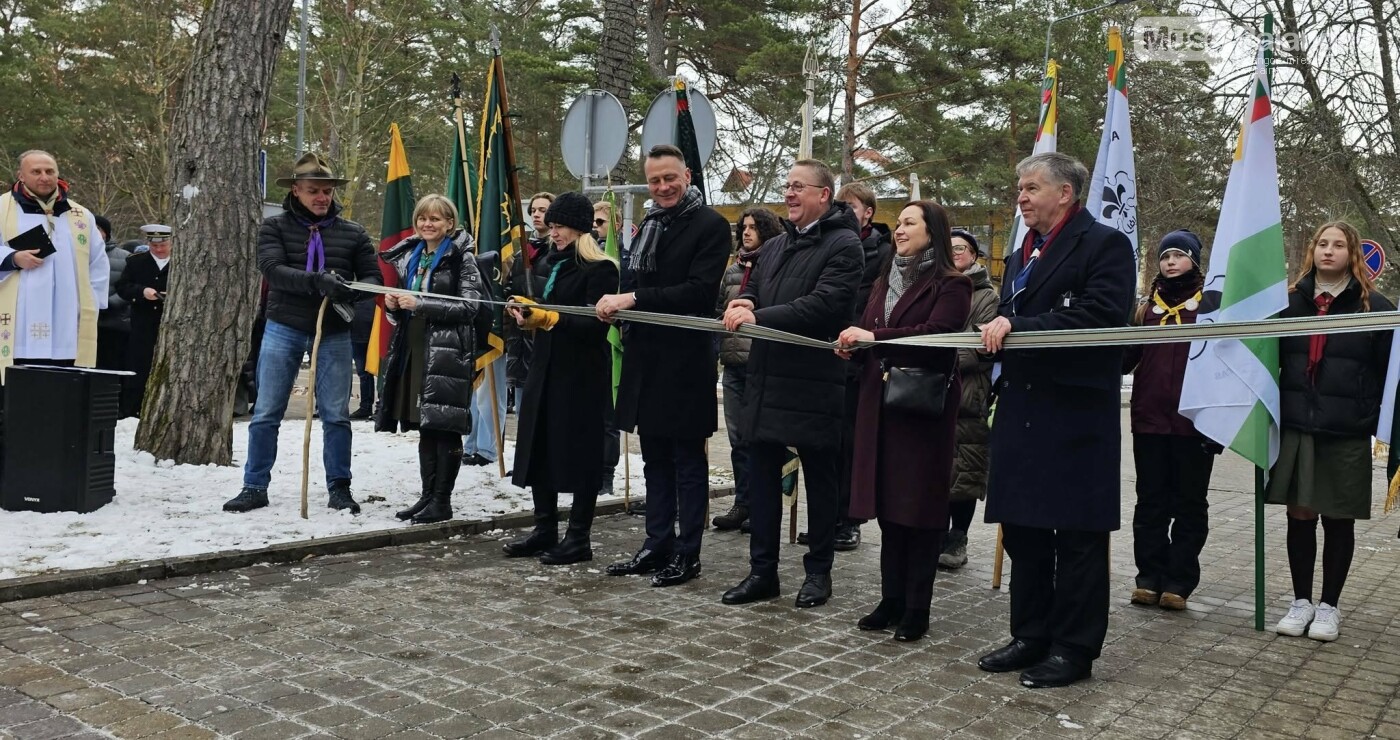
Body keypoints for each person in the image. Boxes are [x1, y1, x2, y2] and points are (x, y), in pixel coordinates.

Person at [977, 152, 1135, 689]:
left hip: (1074, 415)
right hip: (1022, 408)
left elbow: (1099, 315)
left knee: (1077, 538)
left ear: (1064, 193)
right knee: (1023, 530)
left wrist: (1018, 325)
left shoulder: (1106, 245)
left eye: (1030, 188)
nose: (1020, 197)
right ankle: (1030, 634)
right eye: (1019, 187)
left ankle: (1073, 648)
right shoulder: (1024, 249)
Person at [720, 159, 862, 609]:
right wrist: (745, 299)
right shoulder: (776, 245)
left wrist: (756, 316)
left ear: (824, 195)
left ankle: (818, 573)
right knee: (761, 480)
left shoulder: (845, 244)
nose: (790, 194)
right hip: (766, 378)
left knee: (821, 482)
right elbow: (757, 288)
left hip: (816, 381)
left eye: (800, 187)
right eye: (787, 186)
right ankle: (762, 572)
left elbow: (825, 304)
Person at [836, 200, 971, 641]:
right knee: (891, 507)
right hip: (879, 402)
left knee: (921, 509)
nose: (900, 230)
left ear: (932, 231)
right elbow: (869, 327)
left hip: (923, 409)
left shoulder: (953, 284)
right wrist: (855, 342)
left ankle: (918, 607)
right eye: (899, 224)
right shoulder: (883, 278)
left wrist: (875, 337)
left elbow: (937, 334)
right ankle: (890, 599)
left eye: (910, 223)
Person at [597, 144, 730, 587]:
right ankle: (656, 544)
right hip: (646, 359)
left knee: (687, 462)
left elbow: (698, 291)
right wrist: (617, 298)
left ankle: (688, 552)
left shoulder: (711, 225)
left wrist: (633, 299)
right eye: (654, 180)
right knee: (654, 459)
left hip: (686, 361)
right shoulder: (648, 224)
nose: (662, 187)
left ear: (687, 175)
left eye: (669, 178)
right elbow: (632, 279)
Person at [223, 153, 382, 514]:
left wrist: (349, 289)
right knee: (266, 412)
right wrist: (315, 281)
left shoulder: (353, 233)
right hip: (284, 327)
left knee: (336, 415)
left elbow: (373, 278)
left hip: (334, 331)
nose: (322, 198)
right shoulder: (274, 228)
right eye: (313, 191)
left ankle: (339, 487)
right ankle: (254, 485)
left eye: (326, 191)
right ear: (296, 191)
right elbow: (272, 270)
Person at [1268, 221, 1393, 642]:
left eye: (1338, 245)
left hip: (1345, 430)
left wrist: (1370, 416)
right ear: (1312, 251)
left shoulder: (1375, 308)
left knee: (1338, 519)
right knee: (1300, 514)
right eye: (1322, 243)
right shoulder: (1288, 303)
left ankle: (1329, 607)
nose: (1328, 251)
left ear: (1352, 253)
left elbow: (1385, 373)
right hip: (1299, 425)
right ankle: (1301, 601)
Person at [503, 192, 619, 564]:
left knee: (580, 451)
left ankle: (579, 537)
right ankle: (544, 528)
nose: (553, 233)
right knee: (540, 443)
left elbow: (593, 322)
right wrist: (523, 312)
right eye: (551, 226)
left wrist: (550, 319)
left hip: (582, 372)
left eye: (560, 227)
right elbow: (541, 311)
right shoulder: (548, 263)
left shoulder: (601, 268)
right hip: (546, 365)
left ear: (580, 229)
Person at [375, 194, 486, 524]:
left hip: (448, 351)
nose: (427, 224)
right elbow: (407, 303)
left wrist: (420, 304)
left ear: (449, 223)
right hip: (414, 345)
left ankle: (442, 500)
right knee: (426, 426)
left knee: (445, 427)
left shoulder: (462, 258)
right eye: (423, 218)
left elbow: (470, 308)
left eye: (435, 219)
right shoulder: (411, 255)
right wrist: (395, 306)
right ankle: (426, 497)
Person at [1123, 230, 1217, 611]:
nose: (1171, 262)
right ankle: (1149, 576)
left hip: (1194, 422)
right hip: (1149, 420)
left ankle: (1179, 580)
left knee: (1190, 504)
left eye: (1179, 255)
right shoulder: (1145, 309)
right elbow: (1126, 358)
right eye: (1165, 256)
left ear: (1194, 260)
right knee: (1150, 502)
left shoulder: (1210, 307)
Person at [812, 182, 892, 552]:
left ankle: (849, 520)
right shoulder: (824, 243)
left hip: (859, 359)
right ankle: (824, 521)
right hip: (824, 356)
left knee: (849, 444)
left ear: (868, 213)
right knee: (823, 445)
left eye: (851, 205)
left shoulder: (882, 253)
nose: (843, 210)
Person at [0, 150, 110, 376]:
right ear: (21, 175)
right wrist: (12, 258)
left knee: (62, 389)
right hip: (19, 319)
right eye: (36, 171)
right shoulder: (2, 209)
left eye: (50, 171)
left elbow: (98, 263)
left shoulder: (81, 215)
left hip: (67, 319)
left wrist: (91, 309)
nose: (44, 177)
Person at [712, 208, 783, 533]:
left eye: (754, 227)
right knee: (739, 440)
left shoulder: (776, 266)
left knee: (762, 441)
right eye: (744, 227)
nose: (747, 232)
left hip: (763, 365)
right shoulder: (731, 271)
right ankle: (743, 502)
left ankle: (764, 505)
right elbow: (717, 311)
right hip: (733, 365)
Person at [942, 228, 996, 570]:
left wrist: (936, 355)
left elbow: (980, 345)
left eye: (960, 248)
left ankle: (957, 537)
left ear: (974, 256)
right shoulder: (936, 287)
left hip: (969, 393)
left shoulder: (986, 295)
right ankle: (933, 533)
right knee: (936, 470)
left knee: (965, 472)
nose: (955, 253)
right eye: (948, 249)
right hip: (933, 390)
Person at [115, 224, 172, 418]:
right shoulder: (136, 262)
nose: (159, 249)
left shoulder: (181, 262)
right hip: (143, 324)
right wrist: (141, 292)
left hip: (170, 325)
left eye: (163, 244)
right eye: (154, 245)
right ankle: (131, 409)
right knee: (138, 368)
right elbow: (122, 287)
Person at [505, 192, 555, 409]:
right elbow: (511, 287)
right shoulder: (521, 253)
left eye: (542, 210)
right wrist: (511, 302)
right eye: (533, 210)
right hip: (520, 337)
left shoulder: (558, 252)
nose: (536, 214)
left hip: (545, 335)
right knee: (522, 406)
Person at [94, 215, 132, 379]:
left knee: (111, 370)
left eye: (98, 229)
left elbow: (129, 286)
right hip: (85, 323)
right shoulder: (76, 256)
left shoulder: (125, 257)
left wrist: (108, 304)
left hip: (114, 322)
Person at [349, 292, 376, 420]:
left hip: (368, 334)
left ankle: (368, 406)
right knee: (363, 373)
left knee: (366, 373)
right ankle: (365, 406)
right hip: (357, 333)